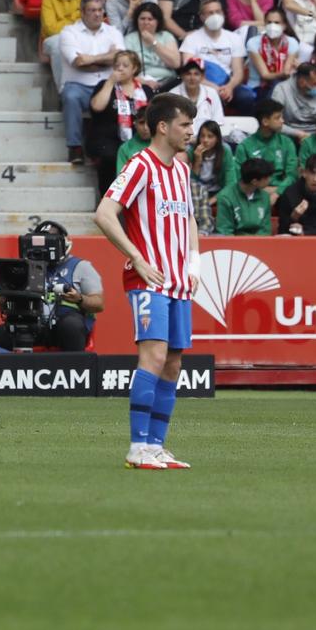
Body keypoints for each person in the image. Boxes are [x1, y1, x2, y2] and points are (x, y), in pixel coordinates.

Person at [94, 90, 197, 470]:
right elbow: (104, 213)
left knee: (173, 363)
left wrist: (195, 264)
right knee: (152, 356)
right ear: (163, 126)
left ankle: (156, 446)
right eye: (185, 124)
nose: (191, 131)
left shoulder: (182, 169)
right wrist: (135, 257)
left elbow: (188, 218)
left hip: (178, 281)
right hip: (148, 279)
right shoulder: (141, 165)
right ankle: (137, 446)